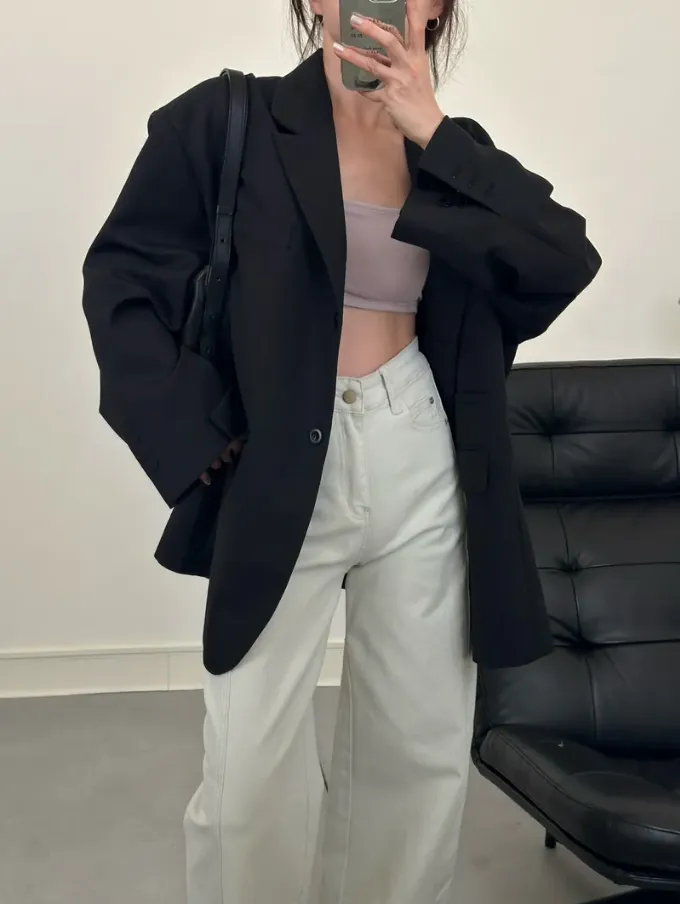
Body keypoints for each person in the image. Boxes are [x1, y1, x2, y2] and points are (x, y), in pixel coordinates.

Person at [82, 0, 601, 901]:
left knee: (418, 745)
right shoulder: (227, 118)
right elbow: (121, 278)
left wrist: (433, 130)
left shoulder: (452, 152)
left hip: (419, 444)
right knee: (249, 766)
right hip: (279, 451)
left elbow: (564, 259)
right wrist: (197, 437)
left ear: (435, 9)